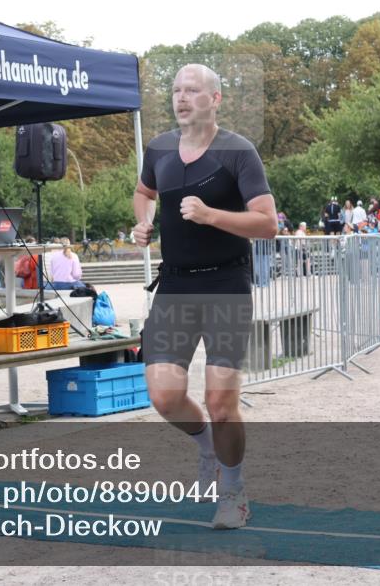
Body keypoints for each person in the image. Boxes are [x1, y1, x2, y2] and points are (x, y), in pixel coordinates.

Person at [132, 64, 277, 530]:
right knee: (164, 396)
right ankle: (207, 448)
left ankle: (233, 491)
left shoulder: (238, 152)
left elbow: (268, 223)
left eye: (192, 90)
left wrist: (211, 214)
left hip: (225, 287)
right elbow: (143, 190)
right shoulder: (158, 148)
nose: (181, 97)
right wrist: (144, 220)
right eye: (176, 89)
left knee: (220, 403)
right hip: (175, 286)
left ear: (215, 98)